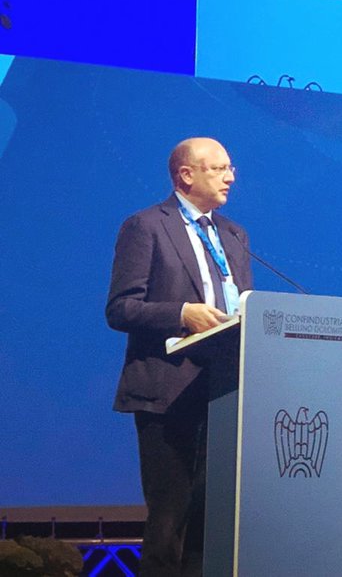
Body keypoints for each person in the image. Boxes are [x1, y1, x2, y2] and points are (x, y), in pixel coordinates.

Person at [106, 137, 252, 577]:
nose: (230, 177)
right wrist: (182, 313)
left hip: (223, 393)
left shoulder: (234, 235)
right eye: (218, 168)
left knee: (212, 523)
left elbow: (243, 306)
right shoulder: (147, 226)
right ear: (186, 175)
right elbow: (121, 308)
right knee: (170, 522)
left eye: (231, 168)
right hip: (167, 392)